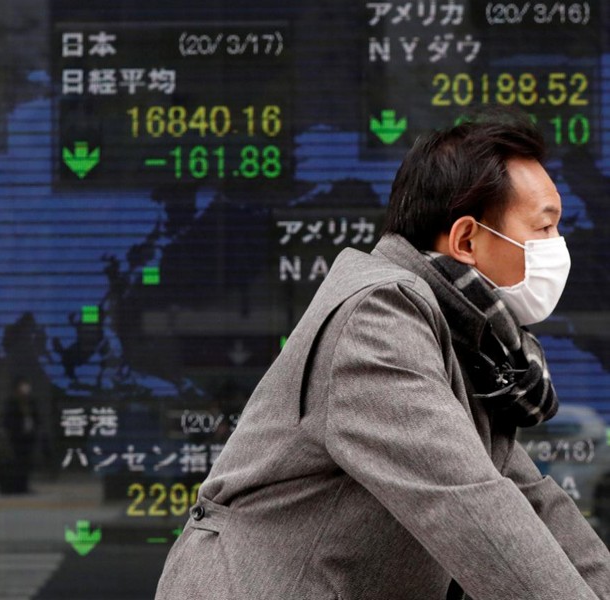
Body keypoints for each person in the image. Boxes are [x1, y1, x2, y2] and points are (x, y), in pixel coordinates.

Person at [154, 110, 610, 600]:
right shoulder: (379, 315)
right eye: (544, 228)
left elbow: (531, 501)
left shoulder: (462, 338)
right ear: (465, 240)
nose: (557, 246)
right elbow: (465, 500)